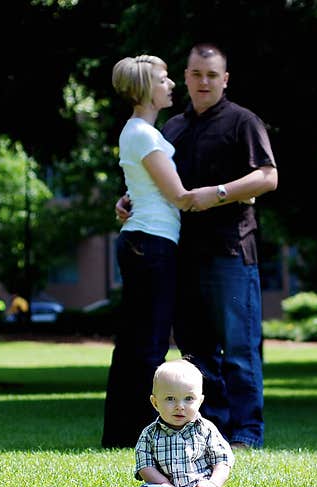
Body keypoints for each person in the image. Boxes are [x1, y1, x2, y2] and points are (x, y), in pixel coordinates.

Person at [117, 43, 278, 450]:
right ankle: (214, 431)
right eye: (195, 74)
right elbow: (156, 180)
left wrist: (218, 192)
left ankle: (245, 434)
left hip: (231, 253)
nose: (203, 81)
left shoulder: (244, 122)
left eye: (212, 75)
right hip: (181, 254)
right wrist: (126, 199)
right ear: (186, 77)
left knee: (240, 349)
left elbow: (267, 176)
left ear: (224, 79)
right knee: (196, 351)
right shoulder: (171, 128)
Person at [101, 54, 229, 448]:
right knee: (147, 343)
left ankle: (123, 433)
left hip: (150, 243)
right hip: (149, 245)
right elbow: (179, 196)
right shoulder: (141, 133)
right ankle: (133, 433)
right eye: (163, 79)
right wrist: (232, 191)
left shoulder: (145, 133)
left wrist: (127, 199)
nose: (171, 84)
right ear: (145, 88)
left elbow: (149, 189)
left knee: (141, 340)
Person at [134, 358, 234, 487]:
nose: (180, 406)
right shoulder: (149, 434)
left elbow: (223, 460)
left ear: (199, 401)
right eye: (170, 399)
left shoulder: (206, 429)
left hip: (198, 485)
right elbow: (145, 466)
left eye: (188, 399)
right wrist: (164, 483)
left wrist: (213, 483)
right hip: (163, 486)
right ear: (155, 403)